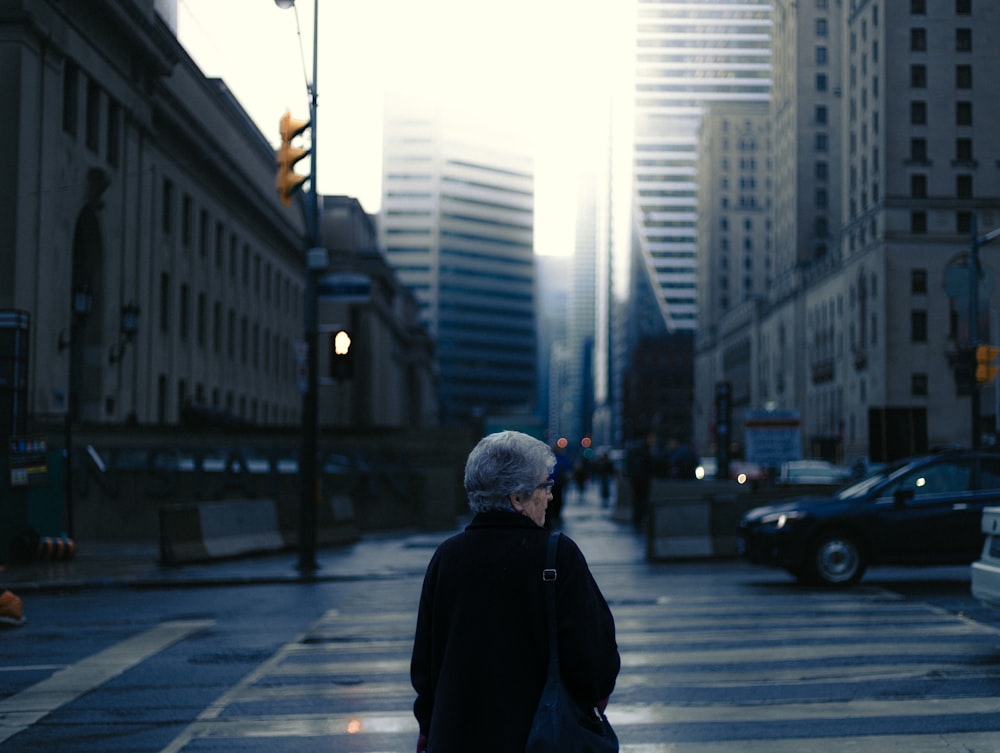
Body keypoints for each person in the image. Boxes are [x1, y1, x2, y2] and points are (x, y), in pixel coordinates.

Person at [410, 431, 620, 753]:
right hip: (539, 739)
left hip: (457, 737)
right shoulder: (558, 556)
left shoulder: (446, 557)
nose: (550, 495)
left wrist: (431, 726)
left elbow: (425, 667)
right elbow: (595, 658)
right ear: (517, 499)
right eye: (544, 486)